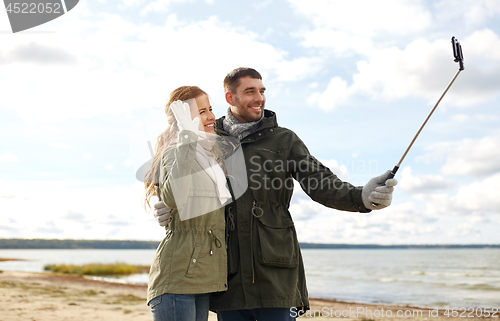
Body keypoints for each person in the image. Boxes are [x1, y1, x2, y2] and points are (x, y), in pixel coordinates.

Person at [154, 69, 397, 321]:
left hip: (276, 272)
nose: (259, 97)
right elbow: (172, 173)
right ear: (230, 97)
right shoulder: (206, 138)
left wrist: (361, 197)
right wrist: (163, 204)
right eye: (250, 91)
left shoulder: (284, 140)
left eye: (262, 91)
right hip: (228, 276)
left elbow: (321, 183)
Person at [144, 86, 233, 321]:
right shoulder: (176, 152)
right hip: (177, 276)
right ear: (184, 119)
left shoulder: (211, 160)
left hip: (200, 276)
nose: (211, 116)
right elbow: (174, 197)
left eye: (211, 109)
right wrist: (187, 139)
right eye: (202, 111)